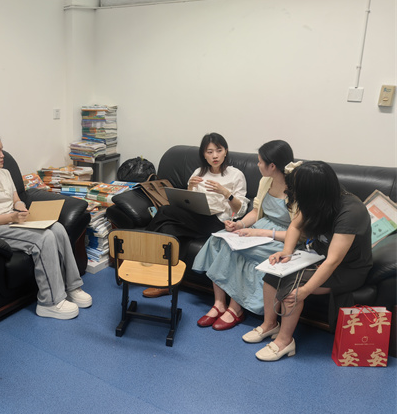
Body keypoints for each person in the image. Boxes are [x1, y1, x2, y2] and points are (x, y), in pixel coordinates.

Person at [249, 161, 372, 361]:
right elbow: (295, 226)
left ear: (312, 190)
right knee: (273, 272)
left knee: (292, 287)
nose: (292, 192)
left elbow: (333, 261)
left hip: (348, 269)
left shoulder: (351, 212)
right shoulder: (317, 199)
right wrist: (287, 252)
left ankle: (284, 341)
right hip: (316, 256)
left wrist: (305, 290)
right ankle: (269, 324)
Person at [0, 132, 92, 320]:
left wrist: (21, 207)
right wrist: (11, 217)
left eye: (2, 150)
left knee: (57, 228)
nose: (2, 155)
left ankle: (72, 287)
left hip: (13, 221)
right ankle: (50, 302)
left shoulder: (5, 173)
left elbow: (16, 199)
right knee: (44, 238)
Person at [192, 140, 297, 330]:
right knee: (219, 239)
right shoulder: (266, 181)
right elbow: (256, 211)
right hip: (260, 227)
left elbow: (299, 232)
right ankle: (219, 303)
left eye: (260, 162)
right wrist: (239, 224)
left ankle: (236, 308)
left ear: (272, 166)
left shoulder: (297, 189)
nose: (257, 165)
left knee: (239, 250)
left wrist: (260, 232)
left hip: (283, 236)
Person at [142, 132, 249, 298]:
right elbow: (187, 200)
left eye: (219, 150)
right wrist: (190, 187)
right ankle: (167, 283)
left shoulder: (236, 175)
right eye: (209, 152)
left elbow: (240, 210)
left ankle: (143, 249)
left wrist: (225, 192)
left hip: (218, 222)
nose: (215, 156)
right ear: (204, 155)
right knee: (170, 229)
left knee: (164, 211)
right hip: (196, 217)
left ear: (225, 151)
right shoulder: (199, 172)